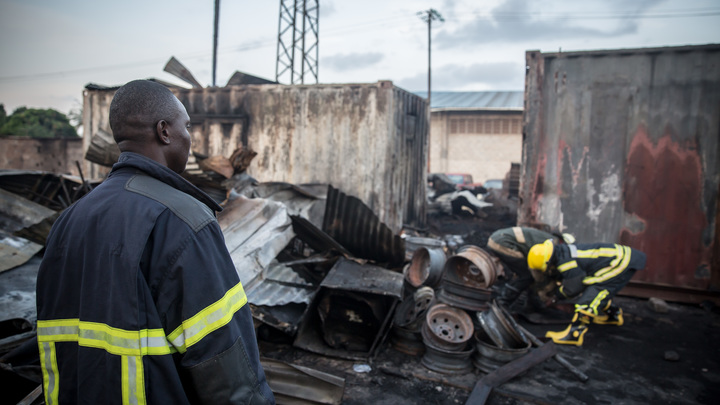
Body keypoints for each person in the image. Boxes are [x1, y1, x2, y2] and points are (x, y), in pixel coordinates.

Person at [36, 80, 275, 404]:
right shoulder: (184, 220)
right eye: (186, 126)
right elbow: (226, 367)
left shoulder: (69, 221)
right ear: (164, 131)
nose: (189, 138)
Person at [527, 239, 647, 346]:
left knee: (594, 294)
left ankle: (574, 335)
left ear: (547, 263)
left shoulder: (565, 263)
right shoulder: (563, 251)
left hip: (618, 262)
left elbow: (573, 288)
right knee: (596, 290)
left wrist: (555, 297)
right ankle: (613, 315)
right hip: (622, 257)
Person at [486, 226, 574, 308]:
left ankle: (524, 303)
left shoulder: (549, 240)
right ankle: (502, 303)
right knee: (526, 276)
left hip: (498, 239)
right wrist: (545, 292)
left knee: (524, 275)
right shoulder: (554, 246)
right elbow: (536, 271)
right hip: (503, 242)